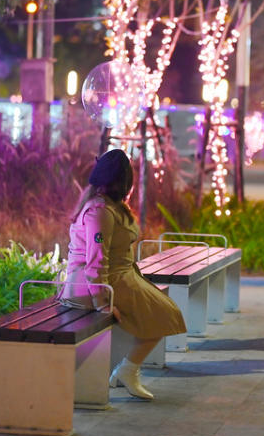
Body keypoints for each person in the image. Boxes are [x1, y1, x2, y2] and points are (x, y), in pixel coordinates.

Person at [59, 149, 186, 400]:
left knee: (166, 312)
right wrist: (101, 302)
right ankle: (128, 370)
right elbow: (96, 261)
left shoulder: (111, 206)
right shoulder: (99, 211)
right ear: (124, 181)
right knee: (165, 314)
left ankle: (127, 370)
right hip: (95, 285)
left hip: (118, 278)